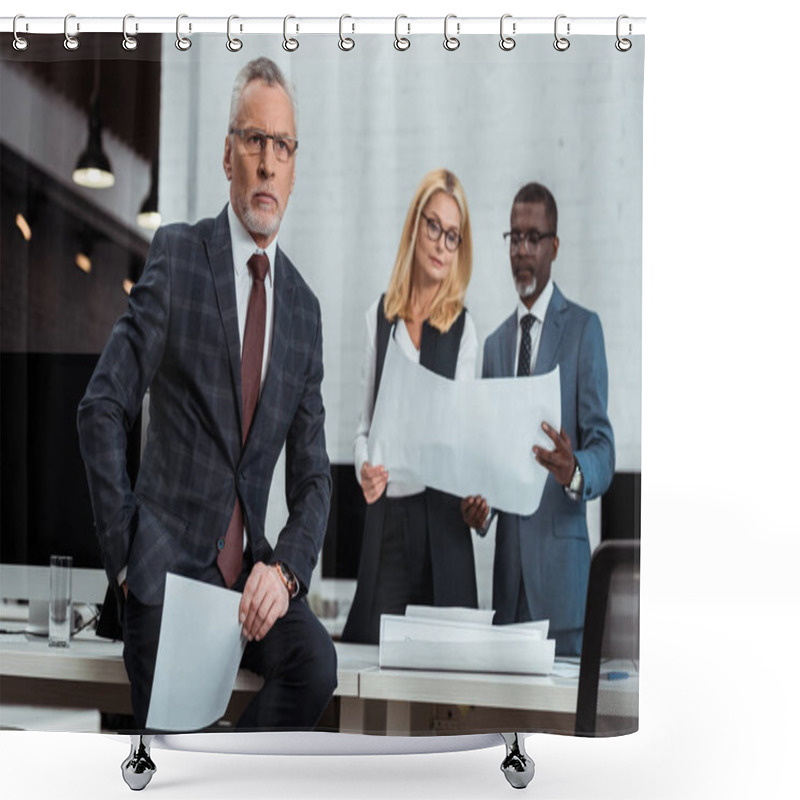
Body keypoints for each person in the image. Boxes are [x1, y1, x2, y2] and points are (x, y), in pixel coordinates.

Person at [77, 57, 336, 731]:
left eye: (282, 146)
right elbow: (101, 406)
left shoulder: (304, 312)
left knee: (316, 665)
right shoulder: (179, 257)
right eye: (254, 141)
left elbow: (313, 482)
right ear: (228, 155)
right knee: (174, 751)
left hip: (248, 584)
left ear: (295, 165)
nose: (268, 162)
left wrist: (281, 573)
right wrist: (128, 552)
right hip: (165, 575)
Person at [462, 182, 615, 657]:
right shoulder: (494, 346)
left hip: (564, 588)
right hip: (508, 589)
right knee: (510, 731)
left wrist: (575, 470)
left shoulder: (583, 330)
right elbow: (490, 460)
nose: (522, 250)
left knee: (561, 730)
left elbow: (604, 450)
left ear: (554, 246)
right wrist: (478, 513)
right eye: (514, 238)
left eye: (533, 238)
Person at [341, 169, 479, 644]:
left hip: (442, 526)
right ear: (415, 226)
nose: (441, 244)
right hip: (388, 527)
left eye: (453, 236)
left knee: (446, 687)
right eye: (434, 227)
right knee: (372, 668)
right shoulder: (378, 320)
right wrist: (364, 468)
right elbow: (363, 429)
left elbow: (461, 440)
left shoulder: (465, 332)